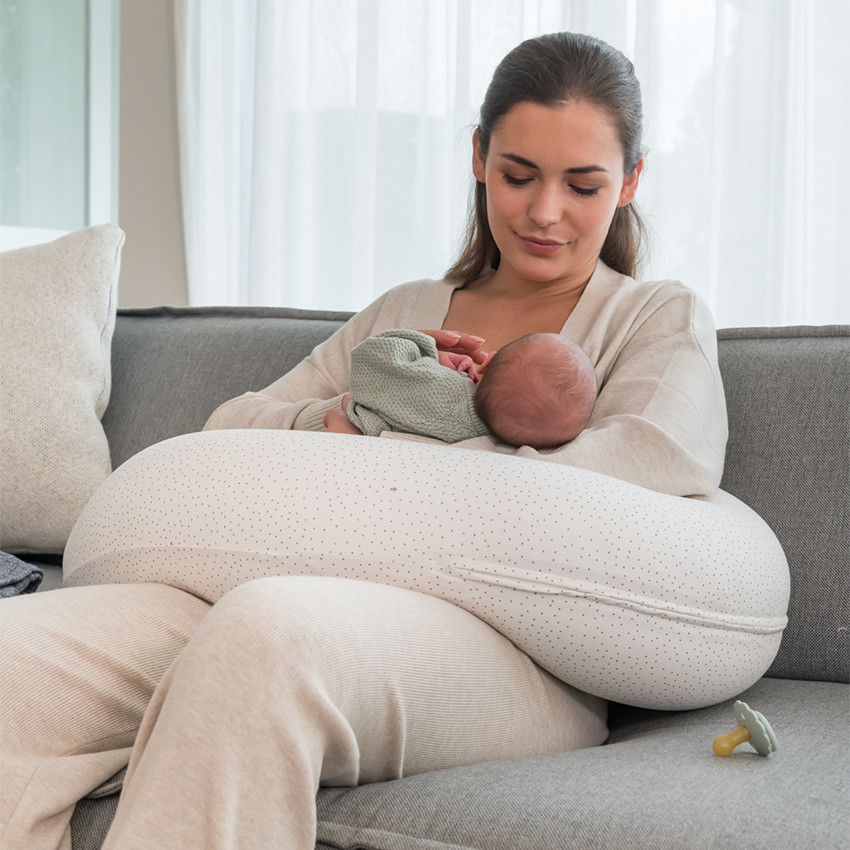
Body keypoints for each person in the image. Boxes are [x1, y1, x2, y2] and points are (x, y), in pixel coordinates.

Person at [0, 31, 789, 850]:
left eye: (582, 185)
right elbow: (234, 430)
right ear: (479, 158)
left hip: (517, 655)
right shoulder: (402, 316)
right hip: (302, 582)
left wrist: (420, 460)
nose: (545, 212)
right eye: (518, 175)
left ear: (629, 182)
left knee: (268, 631)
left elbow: (653, 464)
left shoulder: (651, 316)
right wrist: (337, 418)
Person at [335, 328, 597, 448]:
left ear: (489, 360)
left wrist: (425, 351)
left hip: (353, 432)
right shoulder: (485, 442)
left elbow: (372, 357)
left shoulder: (442, 388)